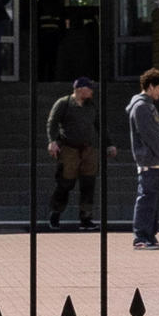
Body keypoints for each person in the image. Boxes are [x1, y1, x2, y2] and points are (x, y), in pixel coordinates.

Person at [125, 66, 159, 252]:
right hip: (149, 160)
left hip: (156, 159)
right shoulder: (141, 107)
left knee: (152, 199)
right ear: (150, 86)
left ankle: (149, 235)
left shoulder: (148, 106)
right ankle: (141, 237)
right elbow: (152, 136)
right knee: (146, 198)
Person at [40, 78, 101, 228]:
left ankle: (85, 218)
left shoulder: (91, 106)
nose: (92, 91)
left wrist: (109, 144)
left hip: (88, 149)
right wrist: (52, 141)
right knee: (65, 182)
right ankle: (56, 212)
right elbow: (52, 122)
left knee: (88, 183)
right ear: (80, 89)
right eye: (89, 88)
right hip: (69, 148)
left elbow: (99, 125)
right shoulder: (64, 103)